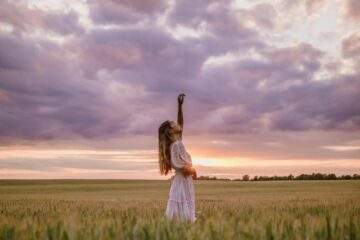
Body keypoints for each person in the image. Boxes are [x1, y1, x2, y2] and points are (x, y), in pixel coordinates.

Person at [158, 93, 197, 222]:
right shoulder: (174, 146)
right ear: (170, 131)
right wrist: (193, 170)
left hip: (184, 181)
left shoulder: (177, 141)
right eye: (172, 123)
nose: (176, 123)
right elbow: (180, 167)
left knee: (181, 214)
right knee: (180, 215)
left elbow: (181, 123)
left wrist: (180, 106)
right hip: (181, 181)